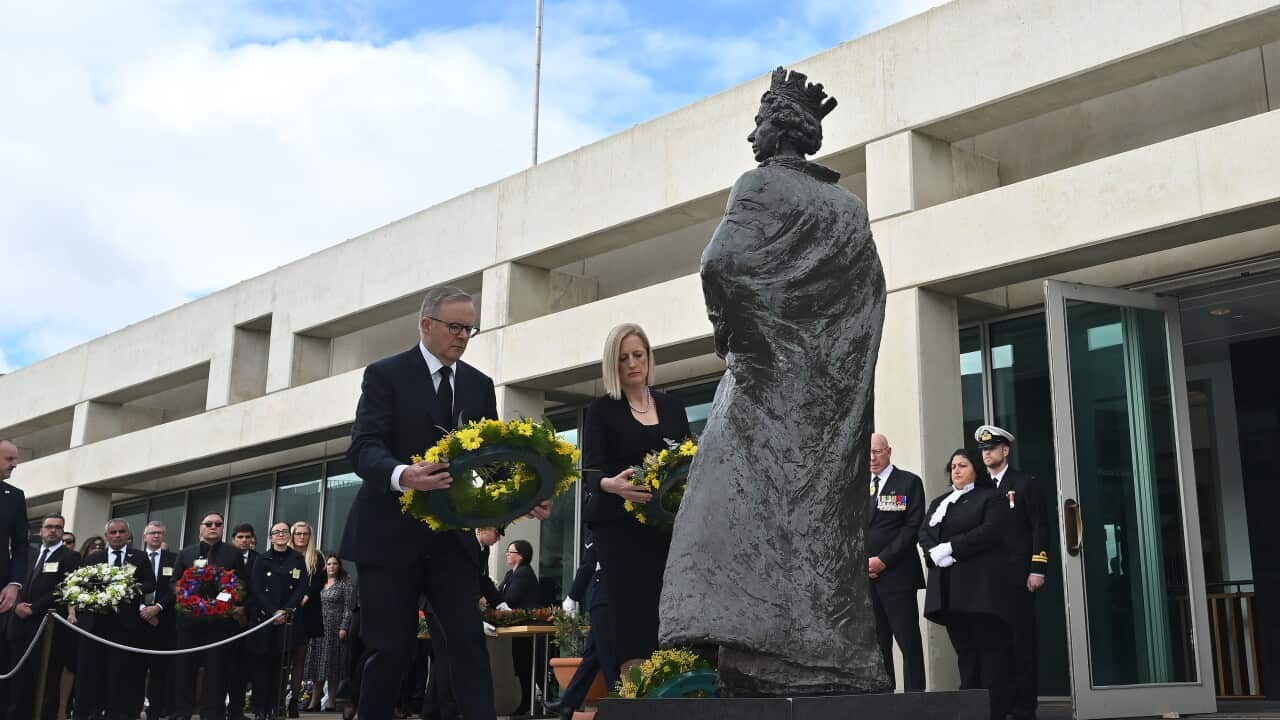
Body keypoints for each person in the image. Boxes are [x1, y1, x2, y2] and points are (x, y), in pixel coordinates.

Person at [658, 68, 888, 695]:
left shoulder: (759, 187)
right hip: (825, 395)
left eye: (759, 122)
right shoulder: (848, 208)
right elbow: (871, 296)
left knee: (738, 510)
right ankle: (828, 658)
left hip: (764, 385)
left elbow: (720, 264)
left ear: (781, 129)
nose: (751, 135)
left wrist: (734, 338)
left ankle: (764, 650)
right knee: (818, 519)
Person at [339, 286, 551, 720]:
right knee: (392, 649)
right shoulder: (385, 375)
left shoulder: (478, 385)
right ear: (427, 325)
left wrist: (517, 500)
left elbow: (488, 463)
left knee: (467, 641)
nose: (463, 336)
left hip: (450, 540)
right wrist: (404, 475)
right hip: (387, 536)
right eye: (455, 326)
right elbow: (363, 448)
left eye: (470, 328)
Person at [581, 323, 690, 671]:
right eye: (623, 357)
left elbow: (687, 459)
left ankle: (671, 693)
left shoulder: (673, 407)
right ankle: (637, 696)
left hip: (666, 531)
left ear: (648, 357)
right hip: (620, 533)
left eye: (638, 355)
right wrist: (612, 485)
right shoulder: (601, 410)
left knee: (668, 613)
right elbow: (590, 472)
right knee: (632, 619)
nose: (632, 363)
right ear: (612, 364)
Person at [919, 448, 1012, 720]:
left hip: (977, 590)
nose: (956, 470)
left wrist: (950, 548)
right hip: (948, 589)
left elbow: (988, 533)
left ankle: (995, 710)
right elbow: (924, 531)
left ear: (976, 470)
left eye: (962, 465)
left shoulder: (990, 498)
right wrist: (934, 553)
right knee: (965, 652)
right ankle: (970, 709)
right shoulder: (940, 501)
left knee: (988, 652)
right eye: (953, 466)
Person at [974, 425, 1048, 720]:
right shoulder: (979, 487)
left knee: (1021, 644)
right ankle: (999, 706)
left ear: (1006, 450)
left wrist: (1037, 568)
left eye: (992, 448)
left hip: (1019, 577)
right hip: (987, 581)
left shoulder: (1025, 482)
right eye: (983, 449)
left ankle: (1024, 708)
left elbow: (1039, 527)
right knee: (994, 647)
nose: (987, 453)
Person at [73, 518, 157, 720]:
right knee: (95, 670)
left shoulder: (138, 557)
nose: (117, 535)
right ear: (107, 536)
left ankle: (117, 712)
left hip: (125, 625)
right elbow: (80, 585)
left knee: (120, 671)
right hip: (97, 624)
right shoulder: (95, 558)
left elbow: (150, 583)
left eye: (121, 532)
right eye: (113, 532)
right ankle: (93, 711)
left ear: (128, 535)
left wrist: (128, 589)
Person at [171, 511, 250, 720]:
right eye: (209, 524)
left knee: (216, 672)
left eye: (218, 524)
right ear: (201, 528)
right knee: (185, 670)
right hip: (189, 623)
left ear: (223, 528)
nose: (213, 527)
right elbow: (174, 582)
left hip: (219, 624)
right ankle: (182, 712)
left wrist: (224, 600)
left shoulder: (233, 554)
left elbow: (240, 583)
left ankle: (212, 713)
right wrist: (186, 597)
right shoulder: (186, 553)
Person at [867, 432, 927, 691]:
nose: (872, 458)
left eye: (877, 452)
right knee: (878, 642)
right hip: (866, 578)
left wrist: (883, 560)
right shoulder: (858, 484)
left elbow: (912, 528)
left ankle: (916, 698)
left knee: (908, 640)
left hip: (897, 575)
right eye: (868, 453)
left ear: (889, 451)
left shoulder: (908, 483)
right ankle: (884, 696)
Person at [7, 513, 79, 720]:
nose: (53, 530)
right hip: (19, 625)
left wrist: (34, 608)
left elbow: (63, 588)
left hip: (46, 627)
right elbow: (14, 581)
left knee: (45, 681)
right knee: (17, 681)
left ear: (63, 531)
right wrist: (17, 605)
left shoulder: (70, 557)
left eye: (58, 527)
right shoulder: (28, 554)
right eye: (49, 527)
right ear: (41, 531)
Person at [544, 537, 617, 720]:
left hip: (605, 598)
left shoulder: (601, 526)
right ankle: (568, 704)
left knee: (607, 655)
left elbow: (589, 564)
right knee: (593, 654)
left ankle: (618, 703)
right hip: (609, 597)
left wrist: (573, 596)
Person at [248, 522, 308, 720]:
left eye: (284, 531)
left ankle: (276, 708)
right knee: (261, 667)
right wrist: (273, 611)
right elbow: (256, 588)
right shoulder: (261, 560)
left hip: (287, 621)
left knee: (281, 668)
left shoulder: (297, 559)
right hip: (265, 621)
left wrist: (286, 610)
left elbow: (301, 587)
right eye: (277, 532)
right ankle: (259, 709)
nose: (281, 535)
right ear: (271, 537)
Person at [0, 439, 31, 720]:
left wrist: (14, 584)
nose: (15, 464)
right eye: (9, 458)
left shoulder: (15, 496)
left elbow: (22, 545)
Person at [135, 521, 178, 720]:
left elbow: (175, 589)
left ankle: (156, 711)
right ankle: (133, 709)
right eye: (152, 533)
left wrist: (157, 608)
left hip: (163, 622)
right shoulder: (134, 558)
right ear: (145, 537)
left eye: (160, 533)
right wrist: (143, 609)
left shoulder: (173, 559)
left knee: (160, 671)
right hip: (136, 623)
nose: (156, 536)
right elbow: (128, 586)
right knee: (134, 669)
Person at [303, 555, 354, 713]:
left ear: (339, 566)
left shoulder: (345, 584)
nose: (331, 566)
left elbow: (348, 608)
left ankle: (331, 701)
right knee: (317, 665)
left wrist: (344, 627)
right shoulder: (319, 583)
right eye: (329, 564)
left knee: (332, 665)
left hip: (335, 628)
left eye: (334, 564)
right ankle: (314, 701)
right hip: (318, 627)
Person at [499, 540, 542, 715]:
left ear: (521, 556)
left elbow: (509, 598)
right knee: (520, 665)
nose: (507, 555)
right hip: (517, 627)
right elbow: (501, 594)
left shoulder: (524, 573)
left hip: (527, 627)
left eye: (511, 552)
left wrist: (497, 600)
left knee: (525, 665)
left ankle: (529, 703)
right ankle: (525, 702)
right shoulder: (511, 574)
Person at [290, 521, 325, 715]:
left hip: (307, 610)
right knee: (283, 658)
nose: (302, 537)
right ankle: (276, 700)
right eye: (298, 533)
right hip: (287, 611)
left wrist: (306, 595)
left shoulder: (316, 556)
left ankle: (294, 701)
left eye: (305, 534)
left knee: (300, 658)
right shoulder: (286, 555)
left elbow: (320, 580)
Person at [227, 523, 260, 720]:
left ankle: (236, 710)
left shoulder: (258, 560)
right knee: (224, 667)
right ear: (234, 539)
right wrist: (230, 608)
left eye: (248, 537)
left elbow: (259, 590)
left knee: (242, 669)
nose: (244, 541)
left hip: (249, 621)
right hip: (225, 618)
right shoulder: (225, 557)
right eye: (240, 537)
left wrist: (244, 609)